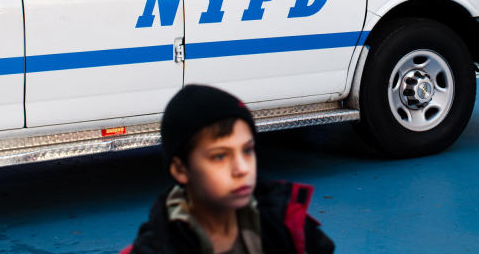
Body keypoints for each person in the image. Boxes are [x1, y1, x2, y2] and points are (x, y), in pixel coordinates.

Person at [126, 85, 334, 254]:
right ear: (181, 169)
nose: (242, 169)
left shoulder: (289, 226)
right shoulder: (155, 248)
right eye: (219, 156)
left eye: (247, 150)